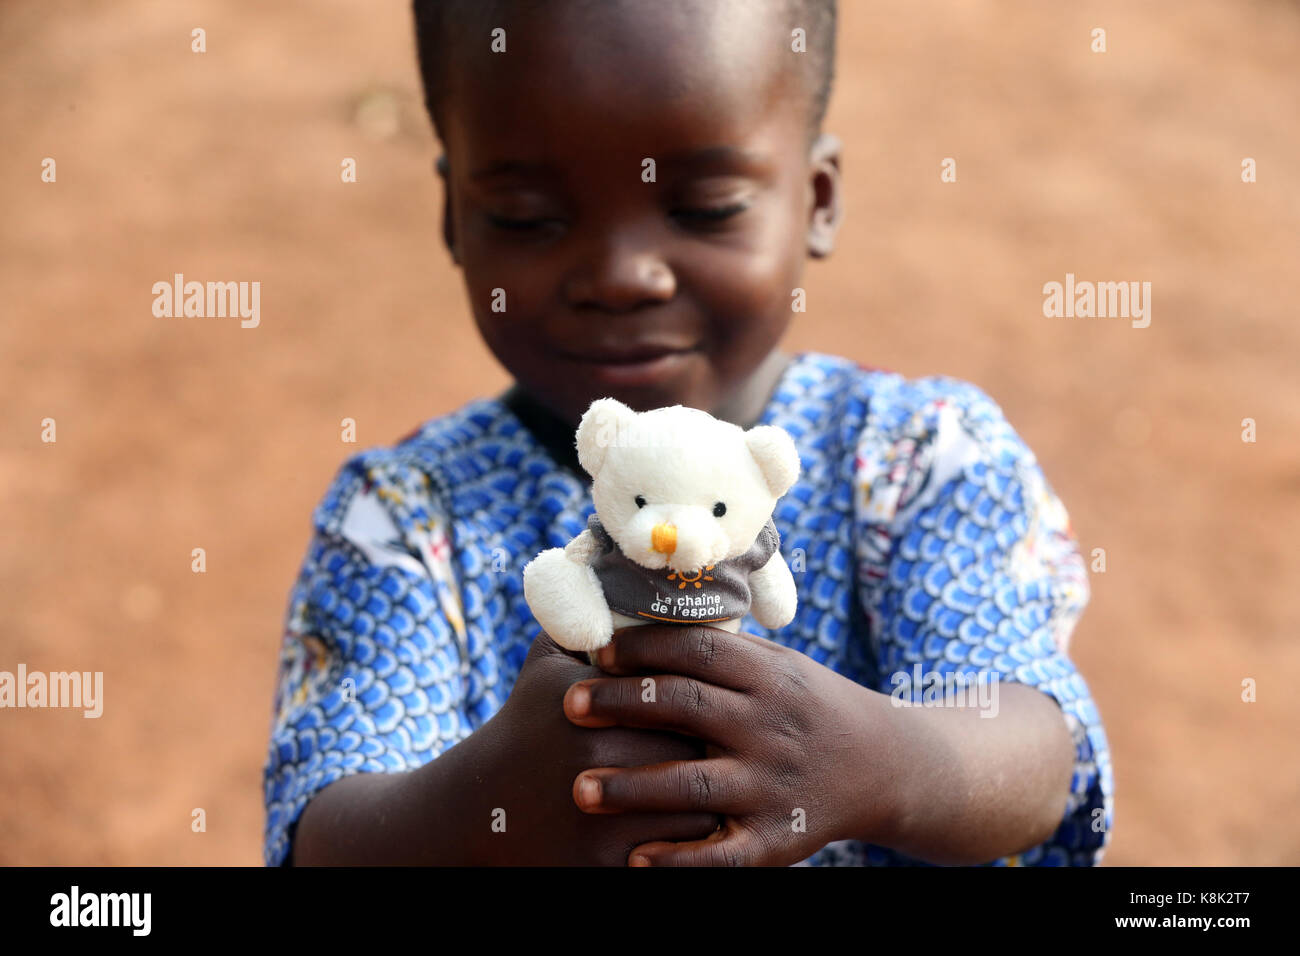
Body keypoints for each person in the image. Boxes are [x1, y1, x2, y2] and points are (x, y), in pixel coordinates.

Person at [263, 0, 1112, 866]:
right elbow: (326, 832)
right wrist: (499, 798)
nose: (623, 275)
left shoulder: (915, 458)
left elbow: (1037, 754)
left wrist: (877, 760)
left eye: (704, 207)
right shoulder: (404, 519)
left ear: (816, 200)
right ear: (453, 213)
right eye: (527, 215)